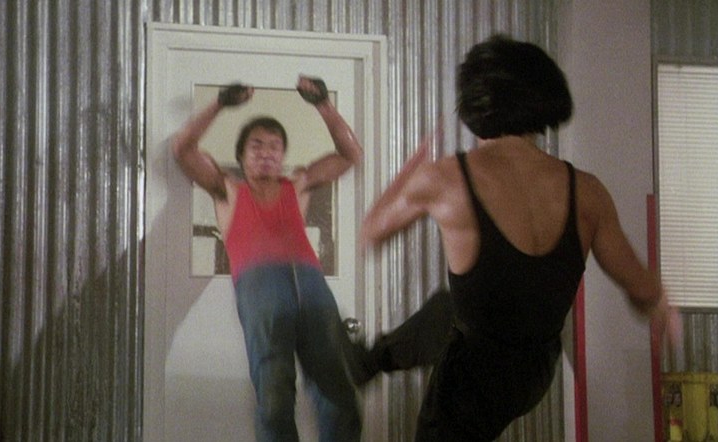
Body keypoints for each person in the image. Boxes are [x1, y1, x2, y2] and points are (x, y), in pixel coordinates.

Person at [354, 34, 681, 441]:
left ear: (476, 102)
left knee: (459, 324)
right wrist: (661, 307)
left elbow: (371, 231)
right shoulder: (588, 192)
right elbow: (642, 288)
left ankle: (366, 363)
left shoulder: (446, 178)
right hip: (533, 371)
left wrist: (410, 170)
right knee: (448, 310)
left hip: (473, 376)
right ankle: (370, 362)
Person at [171, 76, 363, 442]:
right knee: (275, 401)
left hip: (313, 291)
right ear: (241, 156)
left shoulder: (298, 185)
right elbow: (183, 149)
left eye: (275, 146)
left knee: (338, 395)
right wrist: (220, 103)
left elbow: (350, 155)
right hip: (262, 294)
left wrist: (323, 104)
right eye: (256, 146)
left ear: (283, 156)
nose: (266, 153)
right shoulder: (227, 189)